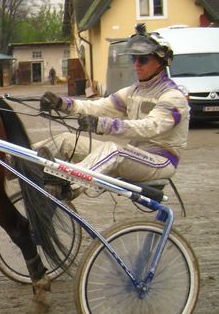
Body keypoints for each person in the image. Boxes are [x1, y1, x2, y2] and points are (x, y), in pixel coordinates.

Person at [34, 24, 189, 199]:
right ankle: (12, 162)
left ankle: (68, 186)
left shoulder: (173, 97)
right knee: (65, 140)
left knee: (113, 150)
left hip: (160, 161)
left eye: (143, 59)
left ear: (161, 61)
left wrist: (103, 125)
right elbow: (99, 107)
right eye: (133, 58)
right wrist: (62, 104)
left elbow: (149, 127)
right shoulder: (133, 92)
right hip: (136, 155)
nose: (136, 64)